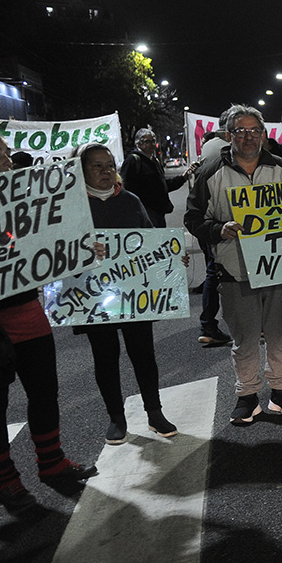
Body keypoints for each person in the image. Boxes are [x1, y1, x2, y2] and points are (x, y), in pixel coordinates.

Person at [0, 128, 97, 513]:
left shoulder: (26, 197)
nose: (7, 162)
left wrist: (79, 247)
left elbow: (50, 241)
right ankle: (6, 481)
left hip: (27, 311)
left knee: (44, 392)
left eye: (7, 155)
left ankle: (52, 462)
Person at [184, 106, 282, 424]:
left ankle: (280, 391)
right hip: (235, 271)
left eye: (254, 131)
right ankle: (247, 395)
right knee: (245, 339)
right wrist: (218, 230)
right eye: (240, 131)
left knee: (280, 335)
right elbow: (193, 218)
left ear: (263, 135)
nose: (248, 136)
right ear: (228, 135)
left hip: (280, 269)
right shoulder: (211, 171)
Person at [74, 143, 178, 444]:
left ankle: (154, 413)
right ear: (82, 171)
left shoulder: (131, 201)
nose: (106, 171)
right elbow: (57, 253)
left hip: (134, 296)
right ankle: (116, 418)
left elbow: (150, 242)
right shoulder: (72, 208)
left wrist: (170, 259)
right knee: (105, 358)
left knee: (144, 354)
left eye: (109, 165)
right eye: (97, 166)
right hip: (94, 298)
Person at [194, 112, 234, 346]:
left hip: (209, 219)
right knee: (219, 271)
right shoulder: (225, 149)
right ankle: (211, 324)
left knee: (212, 270)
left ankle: (208, 324)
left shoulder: (208, 145)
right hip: (224, 219)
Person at [120, 126, 192, 226]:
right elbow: (124, 187)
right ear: (138, 143)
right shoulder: (133, 160)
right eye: (147, 141)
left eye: (153, 141)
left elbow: (162, 185)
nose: (152, 144)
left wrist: (182, 178)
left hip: (158, 212)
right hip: (144, 213)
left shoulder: (154, 161)